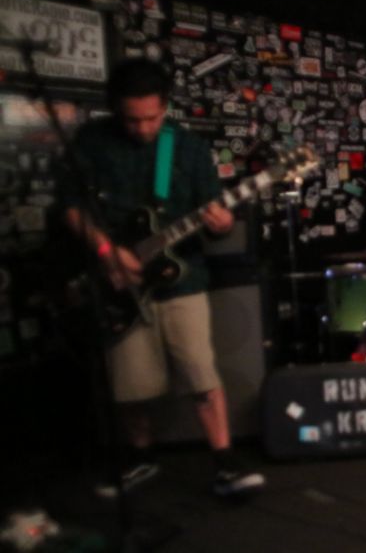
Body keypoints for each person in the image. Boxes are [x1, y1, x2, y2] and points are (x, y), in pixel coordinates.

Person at [59, 59, 265, 498]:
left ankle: (225, 462)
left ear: (165, 106)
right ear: (116, 109)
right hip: (117, 283)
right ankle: (141, 457)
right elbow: (71, 206)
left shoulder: (187, 148)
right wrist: (107, 251)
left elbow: (216, 217)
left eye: (152, 118)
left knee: (202, 375)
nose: (143, 128)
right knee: (130, 386)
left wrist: (222, 222)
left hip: (182, 281)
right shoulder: (92, 142)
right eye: (132, 119)